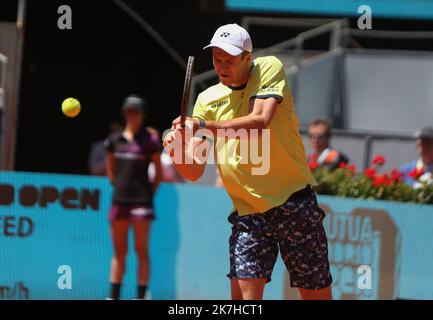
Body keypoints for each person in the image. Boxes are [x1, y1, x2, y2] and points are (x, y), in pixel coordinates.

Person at [163, 24, 332, 300]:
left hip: (294, 204)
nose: (222, 66)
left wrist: (203, 125)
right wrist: (177, 149)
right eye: (217, 59)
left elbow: (259, 123)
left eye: (230, 59)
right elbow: (193, 171)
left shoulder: (268, 68)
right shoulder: (206, 99)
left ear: (248, 57)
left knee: (317, 297)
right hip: (248, 215)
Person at [104, 94, 162, 300]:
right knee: (119, 252)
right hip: (119, 202)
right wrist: (120, 187)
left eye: (136, 112)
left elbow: (158, 173)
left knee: (141, 250)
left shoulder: (150, 140)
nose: (132, 115)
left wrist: (146, 193)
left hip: (142, 203)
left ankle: (139, 297)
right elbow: (110, 171)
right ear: (124, 114)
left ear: (143, 115)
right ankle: (113, 296)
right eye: (129, 111)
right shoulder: (114, 140)